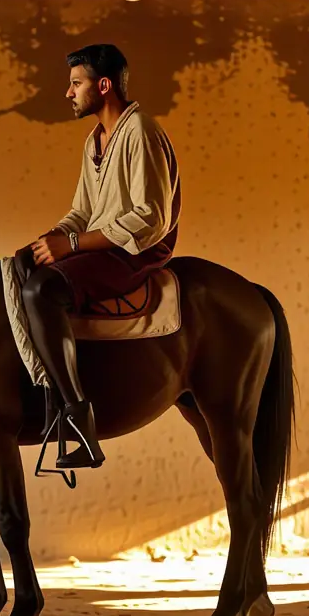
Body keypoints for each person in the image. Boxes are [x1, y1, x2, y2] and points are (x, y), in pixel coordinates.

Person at [18, 43, 181, 470]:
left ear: (103, 85)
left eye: (76, 83)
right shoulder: (94, 141)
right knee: (21, 265)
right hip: (102, 244)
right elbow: (82, 212)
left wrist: (70, 247)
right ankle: (41, 391)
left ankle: (77, 419)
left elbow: (150, 217)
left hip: (135, 252)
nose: (68, 93)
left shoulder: (141, 131)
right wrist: (54, 236)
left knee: (42, 291)